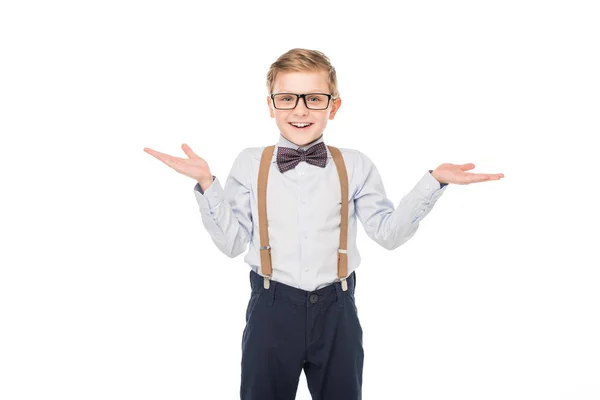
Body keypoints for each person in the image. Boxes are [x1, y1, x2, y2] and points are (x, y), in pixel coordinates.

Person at [143, 48, 504, 400]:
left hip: (338, 310)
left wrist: (433, 182)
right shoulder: (251, 163)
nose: (300, 110)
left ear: (334, 105)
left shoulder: (356, 164)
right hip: (271, 308)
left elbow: (389, 234)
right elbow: (232, 244)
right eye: (287, 98)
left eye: (314, 98)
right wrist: (208, 184)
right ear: (270, 105)